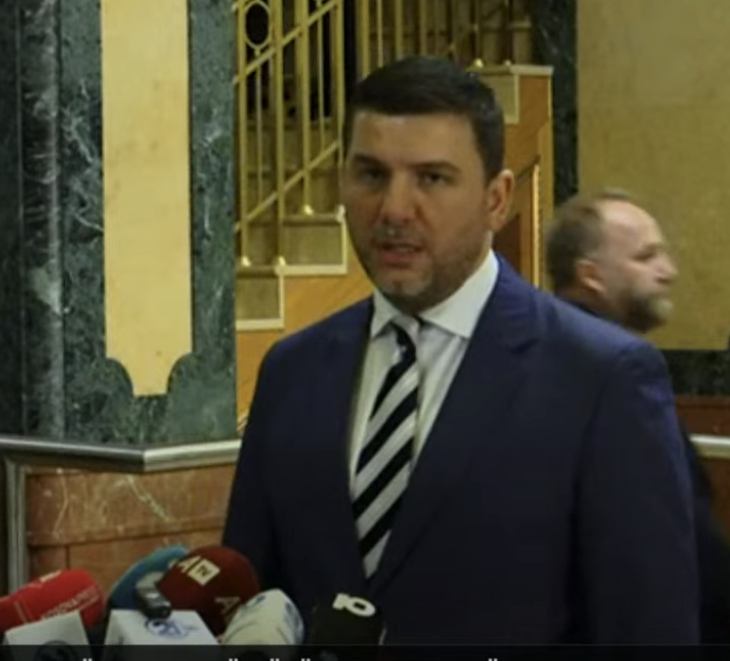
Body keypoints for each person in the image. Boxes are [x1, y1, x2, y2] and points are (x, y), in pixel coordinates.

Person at [223, 55, 698, 644]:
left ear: (497, 199)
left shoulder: (601, 379)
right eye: (371, 174)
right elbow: (249, 601)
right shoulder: (291, 371)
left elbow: (649, 628)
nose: (394, 209)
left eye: (431, 178)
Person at [546, 189, 730, 643]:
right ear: (591, 275)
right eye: (646, 257)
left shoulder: (545, 352)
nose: (668, 272)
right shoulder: (618, 370)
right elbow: (661, 544)